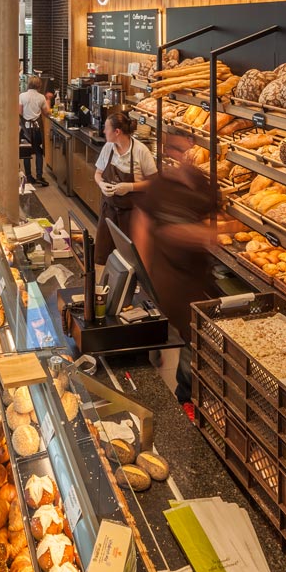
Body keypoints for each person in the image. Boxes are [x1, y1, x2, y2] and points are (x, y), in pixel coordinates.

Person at [131, 130, 218, 404]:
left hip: (195, 277)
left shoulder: (204, 184)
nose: (186, 156)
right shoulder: (160, 186)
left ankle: (184, 396)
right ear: (170, 154)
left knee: (192, 339)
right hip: (166, 275)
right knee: (173, 330)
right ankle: (156, 377)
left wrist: (211, 234)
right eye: (179, 151)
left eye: (190, 149)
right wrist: (143, 272)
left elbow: (212, 222)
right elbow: (142, 227)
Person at [93, 112, 157, 266]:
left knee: (131, 261)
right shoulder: (108, 148)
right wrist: (101, 184)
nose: (103, 131)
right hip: (109, 212)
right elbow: (98, 173)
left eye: (106, 128)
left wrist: (130, 187)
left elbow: (154, 183)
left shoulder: (140, 151)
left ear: (117, 132)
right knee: (107, 257)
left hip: (132, 215)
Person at [19, 76, 50, 186]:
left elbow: (20, 112)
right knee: (38, 152)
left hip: (26, 128)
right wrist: (49, 100)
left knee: (27, 152)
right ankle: (39, 176)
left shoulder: (22, 96)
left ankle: (28, 176)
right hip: (37, 128)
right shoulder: (41, 97)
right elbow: (47, 113)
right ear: (39, 86)